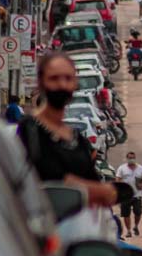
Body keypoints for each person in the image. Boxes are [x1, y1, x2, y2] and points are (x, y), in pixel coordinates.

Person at [16, 54, 117, 207]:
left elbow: (93, 182)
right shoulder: (30, 129)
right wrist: (101, 191)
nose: (62, 85)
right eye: (54, 78)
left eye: (68, 78)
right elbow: (50, 178)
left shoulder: (78, 140)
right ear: (41, 82)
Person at [116, 151, 142, 238]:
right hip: (125, 196)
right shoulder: (122, 168)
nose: (131, 160)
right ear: (127, 159)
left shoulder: (140, 168)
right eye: (130, 158)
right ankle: (129, 231)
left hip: (137, 195)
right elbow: (118, 179)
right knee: (126, 214)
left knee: (138, 212)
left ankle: (136, 226)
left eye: (133, 158)